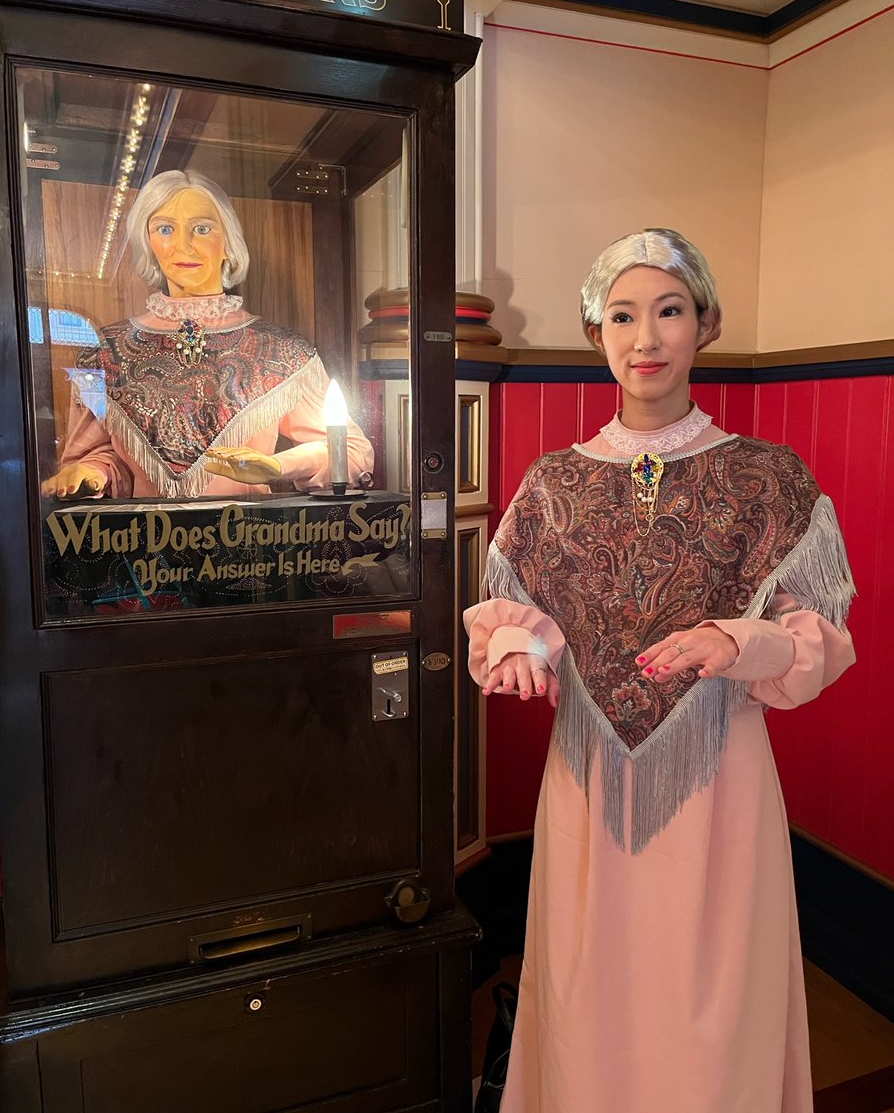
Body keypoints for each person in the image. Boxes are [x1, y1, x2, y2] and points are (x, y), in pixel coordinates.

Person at [464, 229, 855, 1113]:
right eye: (622, 316)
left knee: (713, 1006)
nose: (645, 338)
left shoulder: (767, 479)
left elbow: (819, 633)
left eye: (668, 311)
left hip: (719, 783)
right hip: (589, 780)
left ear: (704, 324)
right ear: (595, 333)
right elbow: (513, 611)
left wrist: (740, 642)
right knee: (587, 989)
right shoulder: (551, 485)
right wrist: (521, 649)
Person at [41, 169, 373, 500]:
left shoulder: (280, 349)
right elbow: (97, 456)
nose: (183, 246)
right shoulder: (107, 350)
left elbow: (351, 452)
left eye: (201, 228)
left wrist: (277, 466)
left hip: (248, 528)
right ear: (149, 242)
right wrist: (90, 473)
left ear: (227, 241)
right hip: (145, 534)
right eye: (165, 229)